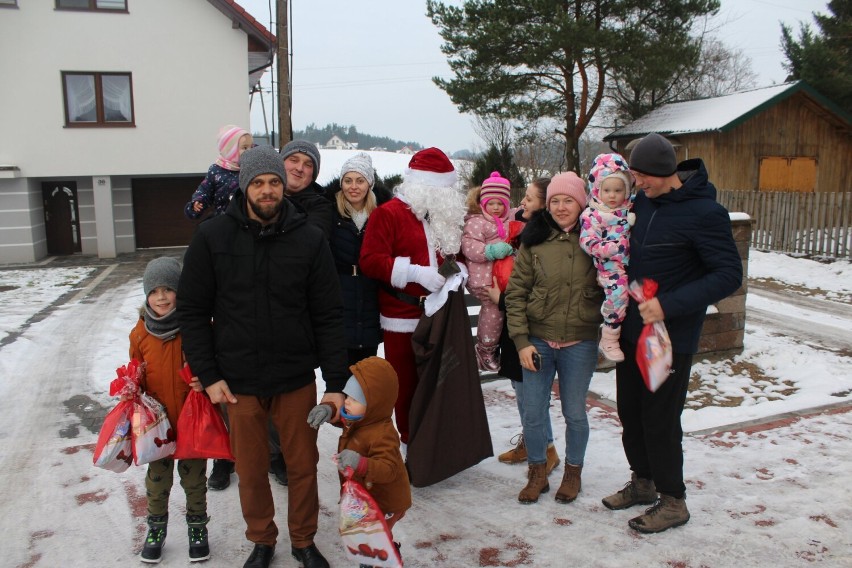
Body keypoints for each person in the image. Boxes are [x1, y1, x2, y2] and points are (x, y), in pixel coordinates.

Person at [177, 145, 348, 568]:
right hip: (237, 381)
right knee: (251, 469)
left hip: (294, 377)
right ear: (244, 186)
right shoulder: (213, 237)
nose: (268, 190)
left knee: (302, 464)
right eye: (259, 182)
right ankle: (262, 539)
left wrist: (336, 385)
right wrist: (208, 373)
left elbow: (328, 314)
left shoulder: (309, 238)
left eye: (274, 181)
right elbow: (194, 310)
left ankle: (304, 541)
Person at [602, 133, 742, 533]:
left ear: (666, 173)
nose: (638, 183)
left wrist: (669, 304)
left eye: (644, 176)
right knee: (630, 412)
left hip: (668, 336)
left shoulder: (705, 213)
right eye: (635, 175)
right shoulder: (642, 203)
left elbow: (728, 275)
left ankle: (673, 500)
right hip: (632, 330)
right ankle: (643, 482)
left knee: (660, 419)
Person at [505, 172, 603, 505]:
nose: (562, 207)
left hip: (580, 342)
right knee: (533, 412)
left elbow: (615, 282)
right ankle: (537, 472)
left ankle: (573, 472)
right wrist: (521, 340)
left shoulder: (598, 240)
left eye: (569, 200)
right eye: (555, 201)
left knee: (575, 412)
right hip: (539, 341)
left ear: (582, 202)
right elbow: (516, 293)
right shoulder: (534, 241)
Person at [359, 147, 468, 445]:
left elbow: (456, 257)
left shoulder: (447, 217)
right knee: (406, 386)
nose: (442, 195)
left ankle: (437, 442)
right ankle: (410, 444)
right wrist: (415, 273)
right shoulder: (388, 213)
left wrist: (457, 270)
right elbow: (370, 260)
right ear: (419, 184)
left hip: (441, 314)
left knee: (440, 382)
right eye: (437, 188)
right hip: (402, 316)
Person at [129, 257, 209, 563]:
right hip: (157, 425)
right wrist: (131, 388)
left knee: (194, 480)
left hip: (191, 418)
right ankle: (156, 529)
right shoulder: (139, 334)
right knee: (157, 480)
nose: (161, 297)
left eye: (168, 289)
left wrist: (204, 379)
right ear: (146, 295)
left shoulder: (194, 326)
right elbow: (135, 370)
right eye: (154, 291)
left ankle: (197, 528)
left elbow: (209, 362)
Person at [267, 139, 336, 487]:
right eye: (292, 160)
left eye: (307, 164)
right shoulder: (257, 197)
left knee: (290, 391)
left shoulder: (320, 206)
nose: (298, 167)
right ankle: (250, 454)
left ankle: (283, 456)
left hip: (298, 314)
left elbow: (312, 243)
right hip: (255, 312)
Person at [307, 357, 411, 567]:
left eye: (354, 400)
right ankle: (374, 557)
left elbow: (389, 469)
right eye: (346, 396)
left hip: (386, 501)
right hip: (367, 497)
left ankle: (385, 559)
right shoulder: (361, 418)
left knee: (378, 534)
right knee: (367, 532)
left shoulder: (382, 434)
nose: (346, 402)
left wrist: (360, 463)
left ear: (374, 404)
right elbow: (344, 416)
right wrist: (328, 409)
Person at [490, 178, 559, 475]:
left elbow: (534, 290)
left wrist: (501, 299)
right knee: (520, 390)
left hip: (529, 326)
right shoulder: (526, 230)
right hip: (515, 323)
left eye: (529, 199)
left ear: (545, 204)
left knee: (531, 394)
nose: (522, 204)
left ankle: (546, 448)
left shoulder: (543, 238)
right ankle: (534, 443)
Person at [324, 152, 392, 366]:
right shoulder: (330, 212)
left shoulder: (380, 215)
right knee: (341, 366)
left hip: (370, 292)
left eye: (360, 181)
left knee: (367, 370)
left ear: (369, 184)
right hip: (340, 291)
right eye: (348, 180)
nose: (353, 186)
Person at [580, 152, 635, 363]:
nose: (612, 195)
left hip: (628, 265)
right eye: (607, 190)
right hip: (609, 266)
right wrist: (611, 249)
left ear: (627, 191)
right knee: (618, 295)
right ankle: (609, 337)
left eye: (618, 190)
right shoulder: (593, 214)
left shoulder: (627, 209)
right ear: (597, 190)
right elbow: (587, 242)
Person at [461, 172, 515, 372]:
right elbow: (468, 246)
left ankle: (494, 349)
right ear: (483, 203)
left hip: (501, 277)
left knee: (502, 310)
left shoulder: (508, 219)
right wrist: (489, 251)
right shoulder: (476, 222)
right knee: (494, 310)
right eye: (491, 203)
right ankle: (485, 351)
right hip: (484, 278)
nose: (495, 208)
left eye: (500, 203)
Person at [184, 125, 252, 220]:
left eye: (251, 147)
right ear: (230, 150)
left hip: (248, 221)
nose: (249, 151)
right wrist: (198, 202)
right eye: (245, 148)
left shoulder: (251, 168)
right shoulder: (216, 170)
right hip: (224, 220)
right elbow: (205, 190)